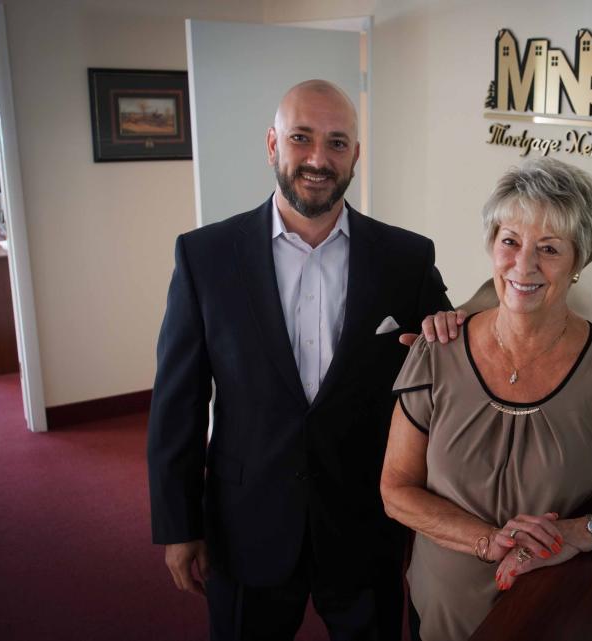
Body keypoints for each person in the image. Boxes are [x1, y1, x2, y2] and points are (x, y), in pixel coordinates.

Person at [147, 79, 454, 641]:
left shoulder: (407, 258)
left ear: (356, 155)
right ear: (271, 145)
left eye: (337, 142)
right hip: (246, 524)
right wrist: (178, 523)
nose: (318, 158)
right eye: (301, 138)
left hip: (365, 523)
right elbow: (178, 403)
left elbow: (455, 347)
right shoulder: (205, 257)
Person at [380, 157, 592, 641]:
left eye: (550, 248)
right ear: (492, 246)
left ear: (580, 261)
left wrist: (580, 534)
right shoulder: (436, 350)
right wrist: (488, 541)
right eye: (510, 242)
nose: (524, 265)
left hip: (553, 617)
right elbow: (396, 490)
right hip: (436, 618)